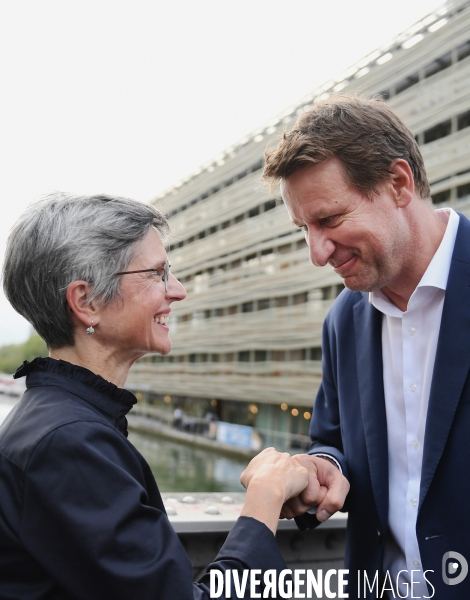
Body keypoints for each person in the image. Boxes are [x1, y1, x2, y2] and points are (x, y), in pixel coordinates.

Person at [0, 193, 308, 599]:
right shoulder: (69, 444)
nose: (177, 291)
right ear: (86, 302)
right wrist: (264, 499)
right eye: (158, 273)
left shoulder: (57, 424)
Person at [262, 95, 470, 599]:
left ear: (398, 184)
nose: (317, 253)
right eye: (304, 230)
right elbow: (332, 438)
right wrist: (322, 467)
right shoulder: (343, 320)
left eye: (329, 220)